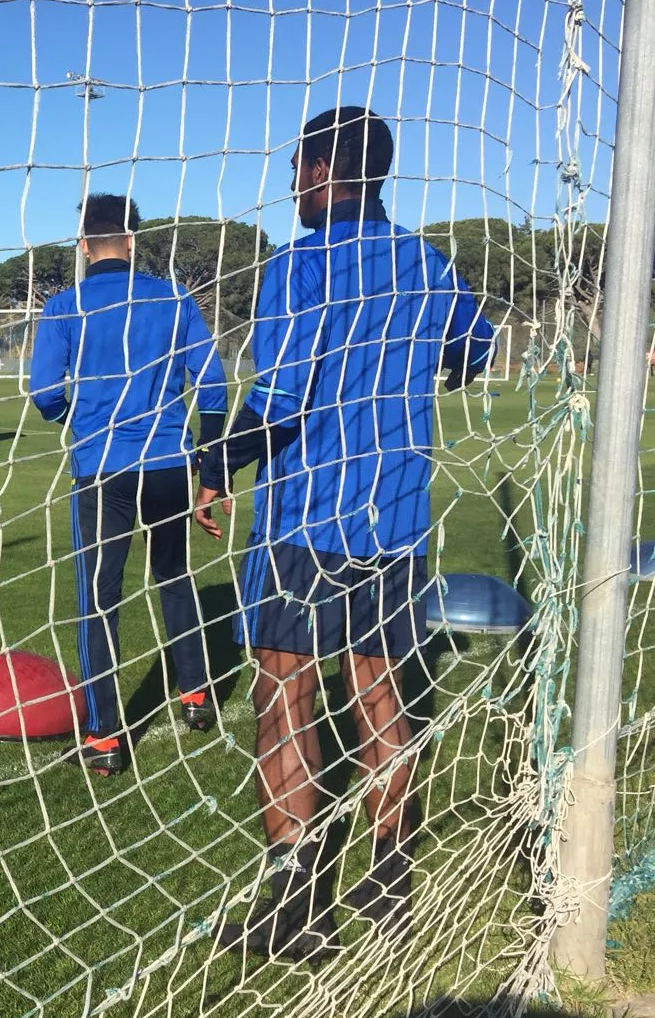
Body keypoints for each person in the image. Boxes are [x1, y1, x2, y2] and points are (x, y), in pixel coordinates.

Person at [195, 107, 493, 961]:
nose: (292, 184)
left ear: (325, 170)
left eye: (298, 166)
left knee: (284, 696)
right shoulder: (428, 263)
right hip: (396, 523)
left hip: (306, 526)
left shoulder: (298, 265)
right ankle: (388, 880)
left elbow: (280, 395)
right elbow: (474, 349)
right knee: (380, 693)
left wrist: (216, 464)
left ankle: (294, 908)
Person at [28, 193, 228, 770]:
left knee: (99, 598)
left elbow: (44, 394)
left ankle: (106, 738)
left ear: (84, 243)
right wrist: (211, 471)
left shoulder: (66, 306)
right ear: (134, 242)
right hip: (168, 466)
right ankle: (195, 695)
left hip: (102, 470)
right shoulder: (173, 298)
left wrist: (75, 418)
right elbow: (211, 388)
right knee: (173, 575)